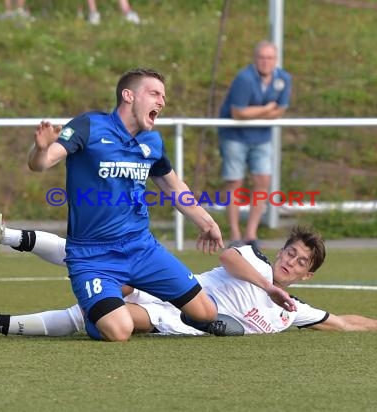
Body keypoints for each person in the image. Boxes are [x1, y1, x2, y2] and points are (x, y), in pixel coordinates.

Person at [25, 68, 295, 342]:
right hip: (92, 256)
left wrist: (206, 222)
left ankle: (150, 309)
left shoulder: (151, 141)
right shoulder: (89, 126)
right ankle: (97, 317)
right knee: (118, 332)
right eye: (154, 93)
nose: (161, 102)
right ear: (128, 95)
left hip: (141, 248)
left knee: (205, 313)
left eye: (163, 97)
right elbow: (42, 163)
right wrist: (41, 149)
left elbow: (174, 187)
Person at [0, 215, 377, 337]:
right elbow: (231, 258)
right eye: (290, 253)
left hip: (172, 322)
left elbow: (343, 321)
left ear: (307, 276)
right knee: (101, 265)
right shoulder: (254, 261)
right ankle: (6, 234)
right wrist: (267, 282)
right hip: (174, 290)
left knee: (112, 320)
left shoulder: (295, 311)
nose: (290, 262)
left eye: (300, 263)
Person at [218, 40, 292, 248]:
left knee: (262, 180)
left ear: (275, 60)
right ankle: (235, 234)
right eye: (262, 57)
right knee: (234, 183)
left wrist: (260, 112)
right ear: (255, 59)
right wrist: (267, 109)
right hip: (235, 136)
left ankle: (251, 234)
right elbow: (238, 112)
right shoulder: (244, 78)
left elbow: (281, 110)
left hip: (261, 137)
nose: (266, 62)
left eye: (270, 58)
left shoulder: (283, 78)